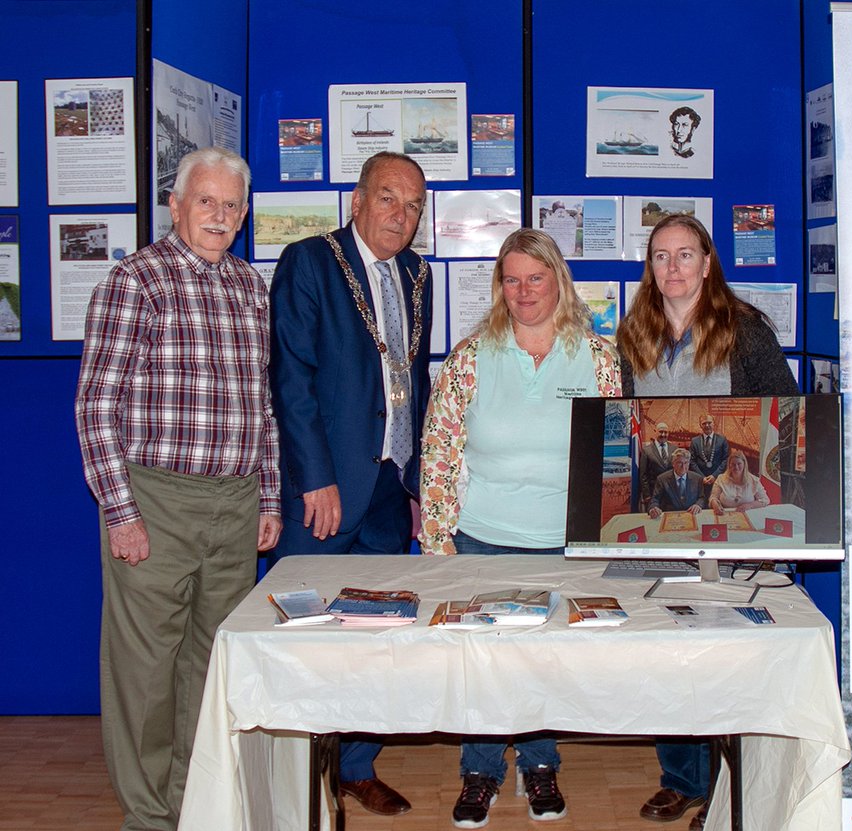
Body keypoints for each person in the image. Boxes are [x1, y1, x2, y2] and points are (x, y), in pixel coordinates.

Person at [75, 147, 281, 831]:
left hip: (236, 501)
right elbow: (95, 406)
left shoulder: (251, 287)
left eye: (231, 205)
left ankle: (196, 804)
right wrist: (120, 511)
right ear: (176, 204)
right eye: (205, 201)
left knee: (210, 663)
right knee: (144, 669)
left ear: (244, 215)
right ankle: (148, 816)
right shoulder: (135, 281)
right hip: (156, 500)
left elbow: (262, 406)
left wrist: (269, 497)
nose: (218, 216)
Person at [420, 228, 620, 828]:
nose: (525, 291)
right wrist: (438, 539)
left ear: (559, 281)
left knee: (543, 659)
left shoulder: (599, 358)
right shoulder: (470, 359)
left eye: (536, 278)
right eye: (512, 280)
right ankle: (479, 771)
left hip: (564, 542)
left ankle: (539, 764)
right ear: (499, 287)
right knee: (483, 660)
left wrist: (608, 535)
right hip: (481, 536)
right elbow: (439, 451)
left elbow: (614, 455)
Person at [615, 214, 797, 830]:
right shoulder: (633, 335)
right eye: (661, 256)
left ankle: (727, 794)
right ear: (650, 267)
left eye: (685, 254)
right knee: (665, 649)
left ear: (707, 261)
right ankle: (681, 781)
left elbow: (786, 414)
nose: (673, 267)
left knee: (727, 654)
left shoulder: (745, 331)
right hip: (665, 520)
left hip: (733, 527)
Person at [269, 151, 433, 815]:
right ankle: (297, 768)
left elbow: (414, 381)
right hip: (328, 491)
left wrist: (416, 481)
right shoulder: (310, 262)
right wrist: (316, 477)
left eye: (414, 205)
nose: (401, 215)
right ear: (358, 201)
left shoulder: (416, 273)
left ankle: (356, 766)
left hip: (390, 490)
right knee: (308, 634)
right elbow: (292, 377)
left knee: (379, 637)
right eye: (388, 198)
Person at [647, 448, 705, 518]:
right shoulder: (662, 479)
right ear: (673, 464)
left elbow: (701, 497)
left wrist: (698, 505)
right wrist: (654, 508)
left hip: (692, 515)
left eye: (686, 463)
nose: (683, 466)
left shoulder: (697, 478)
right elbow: (655, 499)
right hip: (670, 516)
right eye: (680, 463)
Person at [708, 449, 769, 514]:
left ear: (744, 464)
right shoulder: (721, 479)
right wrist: (715, 504)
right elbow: (713, 497)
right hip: (725, 514)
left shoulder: (754, 480)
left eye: (739, 464)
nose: (736, 467)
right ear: (729, 465)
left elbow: (765, 500)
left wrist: (750, 505)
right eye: (733, 464)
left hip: (748, 514)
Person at [688, 413, 729, 500]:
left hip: (718, 480)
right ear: (700, 425)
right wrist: (702, 477)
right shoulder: (695, 441)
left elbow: (726, 459)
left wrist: (714, 475)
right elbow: (691, 461)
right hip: (700, 481)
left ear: (714, 423)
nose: (707, 425)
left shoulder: (722, 440)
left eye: (709, 423)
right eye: (704, 423)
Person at [640, 421, 675, 511]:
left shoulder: (674, 448)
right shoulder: (646, 450)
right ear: (655, 432)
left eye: (665, 432)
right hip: (654, 494)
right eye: (661, 432)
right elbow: (643, 475)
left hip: (672, 494)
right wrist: (647, 495)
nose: (663, 435)